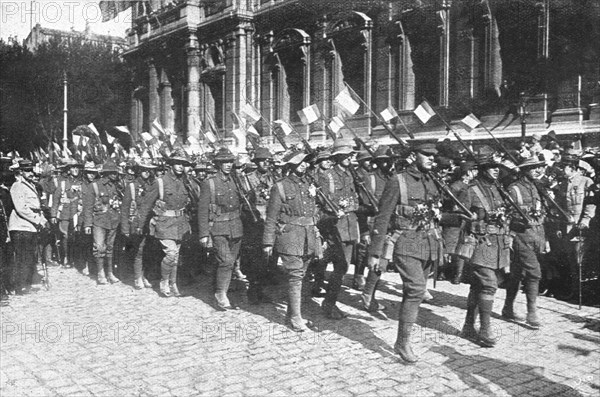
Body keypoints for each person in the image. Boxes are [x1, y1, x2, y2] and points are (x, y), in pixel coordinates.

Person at [367, 143, 444, 363]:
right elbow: (382, 217)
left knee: (414, 293)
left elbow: (436, 212)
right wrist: (375, 252)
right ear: (413, 155)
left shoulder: (432, 180)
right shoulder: (397, 181)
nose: (431, 159)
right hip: (405, 243)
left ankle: (403, 338)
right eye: (426, 154)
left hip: (428, 242)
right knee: (416, 290)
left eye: (433, 156)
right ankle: (403, 343)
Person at [459, 152, 512, 348]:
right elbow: (455, 216)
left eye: (497, 166)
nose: (496, 169)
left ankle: (468, 326)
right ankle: (485, 330)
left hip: (498, 244)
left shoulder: (499, 189)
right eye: (491, 166)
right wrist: (471, 220)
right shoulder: (470, 190)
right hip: (478, 243)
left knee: (478, 286)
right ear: (482, 170)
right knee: (489, 285)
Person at [263, 150, 320, 331]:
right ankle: (296, 317)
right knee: (295, 276)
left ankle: (292, 314)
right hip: (289, 236)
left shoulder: (309, 184)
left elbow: (314, 211)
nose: (304, 165)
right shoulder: (279, 187)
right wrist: (267, 242)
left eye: (306, 162)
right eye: (300, 162)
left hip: (308, 236)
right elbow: (271, 217)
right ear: (291, 165)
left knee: (301, 276)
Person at [139, 150, 192, 297]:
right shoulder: (160, 182)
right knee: (171, 254)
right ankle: (164, 281)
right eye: (178, 163)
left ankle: (173, 283)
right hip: (164, 223)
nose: (181, 166)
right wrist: (140, 225)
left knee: (176, 256)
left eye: (183, 164)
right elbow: (146, 205)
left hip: (180, 224)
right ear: (170, 165)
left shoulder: (184, 182)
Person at [502, 156, 548, 329]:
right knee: (534, 273)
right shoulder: (514, 189)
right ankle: (532, 312)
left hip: (536, 234)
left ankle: (507, 307)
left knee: (517, 273)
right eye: (533, 167)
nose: (538, 170)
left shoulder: (537, 187)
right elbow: (506, 215)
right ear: (524, 170)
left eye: (539, 167)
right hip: (520, 236)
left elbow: (541, 212)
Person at [318, 139, 360, 319]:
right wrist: (345, 207)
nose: (351, 157)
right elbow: (325, 203)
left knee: (342, 267)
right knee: (339, 266)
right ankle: (328, 303)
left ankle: (329, 300)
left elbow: (355, 200)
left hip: (349, 226)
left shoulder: (350, 174)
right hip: (334, 227)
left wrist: (349, 207)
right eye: (348, 154)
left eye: (351, 154)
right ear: (338, 156)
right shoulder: (327, 176)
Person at [198, 148, 243, 310]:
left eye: (230, 161)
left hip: (236, 226)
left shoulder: (236, 180)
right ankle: (220, 293)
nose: (228, 165)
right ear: (218, 164)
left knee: (229, 262)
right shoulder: (209, 183)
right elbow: (202, 210)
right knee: (226, 260)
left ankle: (219, 287)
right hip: (218, 227)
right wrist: (203, 234)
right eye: (224, 162)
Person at [555, 153, 596, 300]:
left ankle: (585, 292)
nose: (560, 170)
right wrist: (560, 227)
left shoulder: (586, 181)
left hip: (582, 227)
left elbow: (591, 203)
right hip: (568, 228)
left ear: (572, 167)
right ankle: (574, 290)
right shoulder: (562, 184)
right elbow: (560, 208)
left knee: (581, 260)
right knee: (571, 260)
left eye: (563, 167)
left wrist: (585, 220)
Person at [359, 145, 394, 312]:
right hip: (373, 225)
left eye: (389, 161)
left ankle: (369, 294)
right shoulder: (370, 179)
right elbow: (361, 207)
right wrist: (364, 231)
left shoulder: (393, 179)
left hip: (390, 225)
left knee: (382, 263)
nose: (387, 164)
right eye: (384, 161)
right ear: (377, 162)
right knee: (376, 262)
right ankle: (368, 296)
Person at [8, 160, 48, 295]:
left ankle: (25, 284)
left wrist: (42, 219)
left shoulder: (31, 185)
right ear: (20, 172)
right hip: (20, 227)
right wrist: (37, 220)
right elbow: (21, 208)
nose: (30, 173)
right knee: (22, 258)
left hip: (30, 227)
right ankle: (19, 287)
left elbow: (36, 208)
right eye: (27, 171)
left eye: (31, 170)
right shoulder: (17, 186)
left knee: (30, 257)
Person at [82, 159, 123, 285]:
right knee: (99, 247)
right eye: (112, 173)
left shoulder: (117, 186)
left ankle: (110, 273)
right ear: (106, 173)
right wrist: (88, 224)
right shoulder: (94, 186)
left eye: (116, 173)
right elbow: (88, 207)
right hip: (99, 221)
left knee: (110, 248)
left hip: (113, 220)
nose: (115, 175)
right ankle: (100, 273)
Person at [120, 159, 157, 290]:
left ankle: (145, 275)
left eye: (149, 170)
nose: (146, 172)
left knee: (149, 250)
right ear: (139, 171)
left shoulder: (153, 185)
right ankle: (137, 277)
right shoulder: (132, 186)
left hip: (151, 222)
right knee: (139, 250)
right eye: (143, 169)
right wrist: (125, 228)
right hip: (136, 223)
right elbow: (125, 208)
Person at [50, 158, 84, 268]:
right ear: (68, 170)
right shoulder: (63, 183)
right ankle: (65, 258)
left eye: (77, 168)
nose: (75, 170)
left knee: (76, 236)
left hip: (78, 213)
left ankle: (75, 258)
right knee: (65, 236)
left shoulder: (82, 182)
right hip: (65, 212)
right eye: (72, 168)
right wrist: (54, 214)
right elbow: (56, 199)